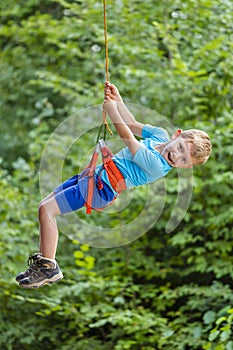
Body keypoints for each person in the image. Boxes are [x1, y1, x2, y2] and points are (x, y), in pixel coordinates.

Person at [16, 82, 212, 289]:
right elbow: (133, 124)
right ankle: (43, 262)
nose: (176, 156)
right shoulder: (160, 134)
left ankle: (49, 266)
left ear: (185, 167)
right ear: (176, 135)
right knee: (44, 204)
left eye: (183, 161)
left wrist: (111, 112)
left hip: (102, 188)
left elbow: (129, 138)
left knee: (46, 210)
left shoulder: (157, 166)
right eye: (180, 148)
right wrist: (118, 102)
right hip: (93, 176)